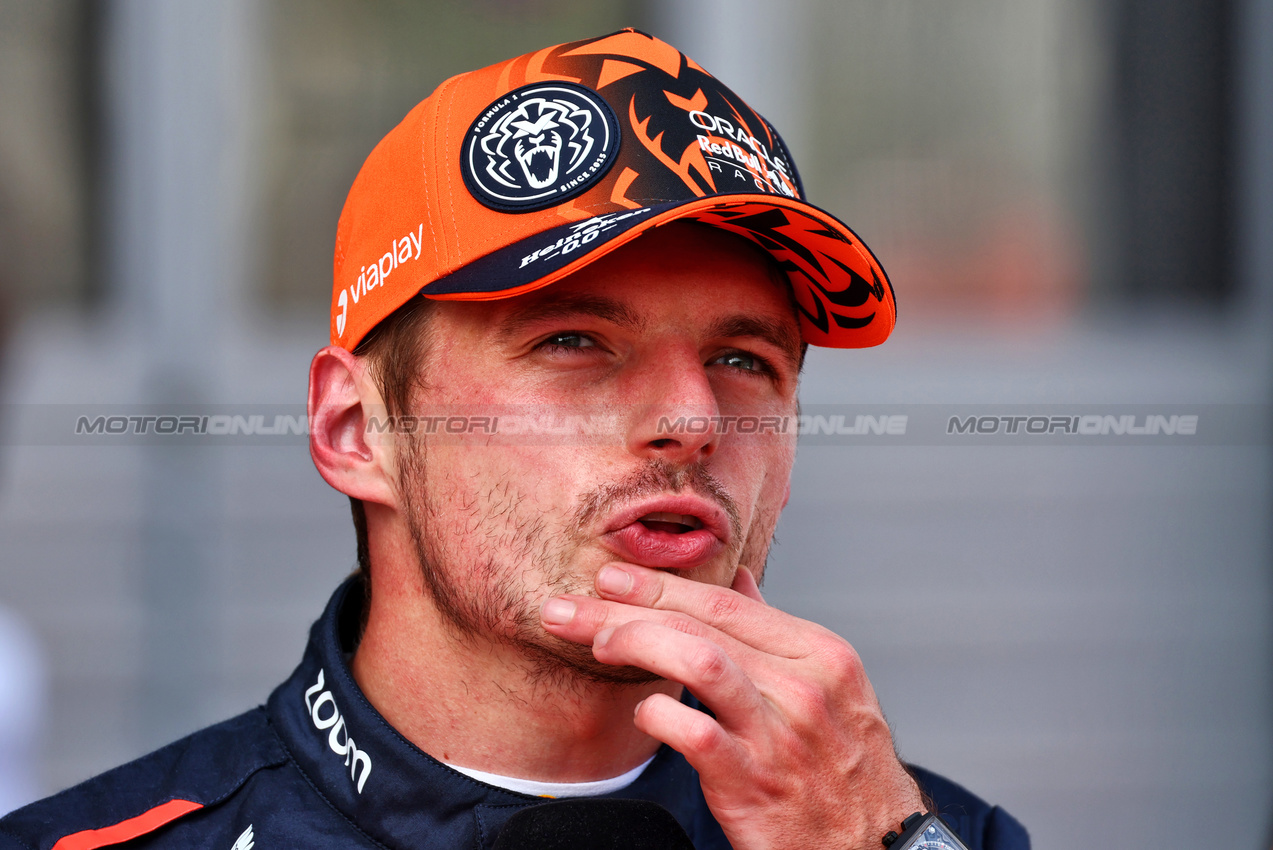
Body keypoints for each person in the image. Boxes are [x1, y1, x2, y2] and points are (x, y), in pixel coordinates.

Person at [0, 29, 1029, 850]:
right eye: (575, 341)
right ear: (356, 428)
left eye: (742, 360)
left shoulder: (913, 832)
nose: (692, 420)